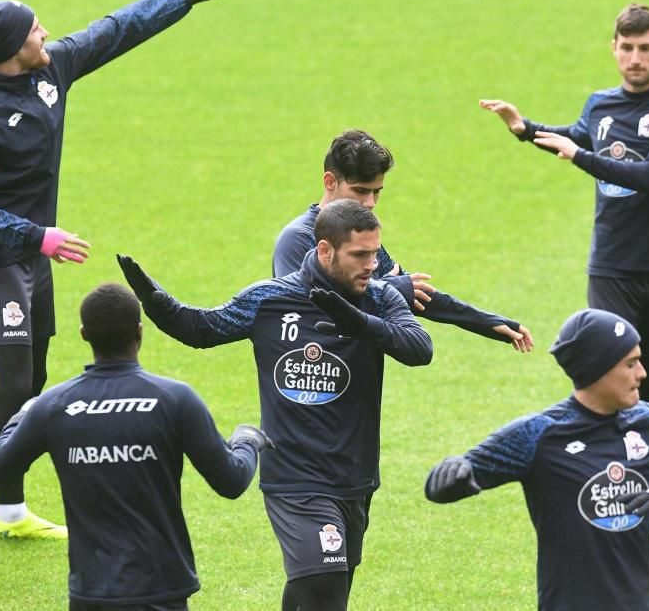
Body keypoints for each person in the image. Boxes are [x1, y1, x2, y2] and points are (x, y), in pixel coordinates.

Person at [0, 0, 240, 581]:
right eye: (35, 29)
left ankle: (11, 508)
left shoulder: (52, 70)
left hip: (34, 253)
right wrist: (34, 235)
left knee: (37, 372)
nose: (46, 33)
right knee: (13, 384)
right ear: (8, 48)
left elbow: (116, 28)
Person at [119, 199, 433, 611]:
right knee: (325, 596)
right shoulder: (269, 300)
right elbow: (201, 328)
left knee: (313, 589)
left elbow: (419, 348)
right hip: (295, 480)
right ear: (325, 250)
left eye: (375, 253)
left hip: (355, 478)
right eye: (360, 254)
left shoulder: (378, 299)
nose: (372, 264)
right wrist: (154, 298)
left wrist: (359, 323)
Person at [0, 283, 271, 610]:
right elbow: (231, 481)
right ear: (139, 331)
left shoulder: (55, 406)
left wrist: (23, 412)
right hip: (162, 592)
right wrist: (247, 441)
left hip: (91, 594)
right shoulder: (175, 400)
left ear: (83, 334)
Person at [480, 3, 649, 411]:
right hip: (612, 266)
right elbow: (576, 137)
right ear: (614, 49)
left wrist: (579, 156)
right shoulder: (600, 105)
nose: (635, 58)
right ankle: (605, 466)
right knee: (612, 370)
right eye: (627, 48)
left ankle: (644, 470)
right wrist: (526, 129)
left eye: (645, 48)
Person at [425, 308, 649, 611]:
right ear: (598, 370)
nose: (642, 373)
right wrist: (453, 471)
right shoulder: (539, 435)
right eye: (631, 364)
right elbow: (446, 484)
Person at [274, 129, 533, 352]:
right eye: (360, 191)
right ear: (330, 181)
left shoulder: (358, 234)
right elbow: (307, 311)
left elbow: (417, 293)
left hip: (356, 380)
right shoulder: (297, 239)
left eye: (377, 192)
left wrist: (487, 322)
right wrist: (390, 288)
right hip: (308, 379)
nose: (370, 203)